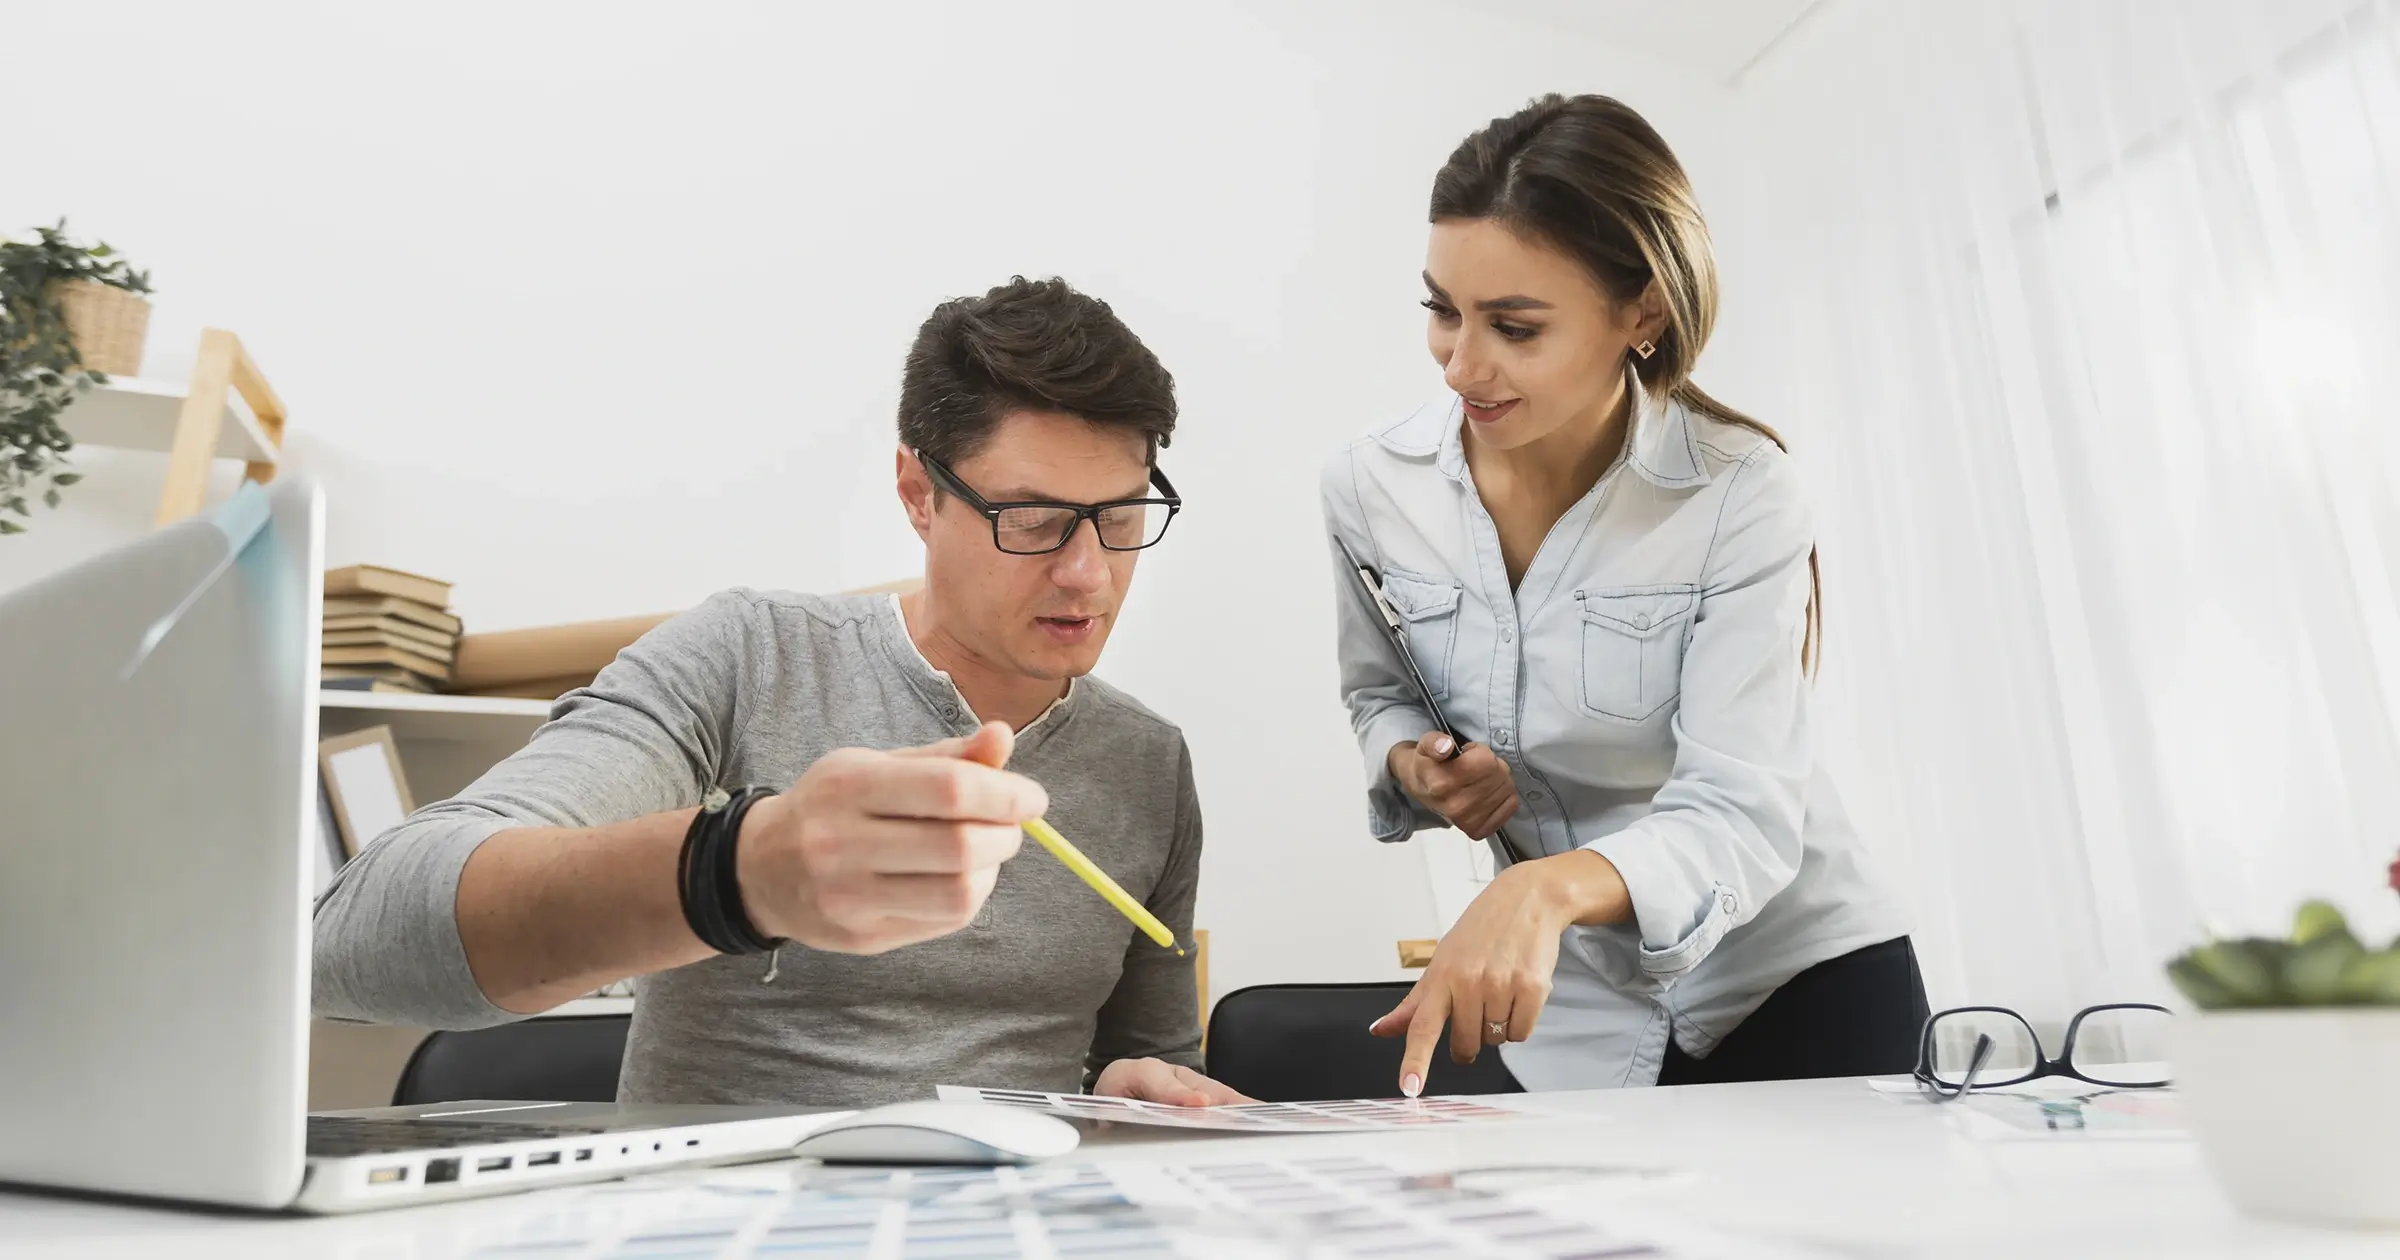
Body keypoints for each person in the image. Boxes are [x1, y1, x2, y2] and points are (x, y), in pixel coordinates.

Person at [316, 276, 1247, 1109]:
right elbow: (356, 939)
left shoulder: (1147, 764)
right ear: (918, 493)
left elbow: (1149, 1060)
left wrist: (1127, 1090)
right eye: (1036, 521)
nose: (1088, 574)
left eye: (1123, 518)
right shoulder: (748, 661)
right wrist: (736, 871)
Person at [1322, 95, 1924, 1096]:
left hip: (1796, 985)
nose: (1461, 365)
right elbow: (1375, 693)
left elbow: (1739, 805)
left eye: (1514, 326)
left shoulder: (1741, 494)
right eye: (1442, 309)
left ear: (1640, 310)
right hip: (1577, 1013)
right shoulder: (1368, 490)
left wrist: (1543, 889)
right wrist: (1417, 768)